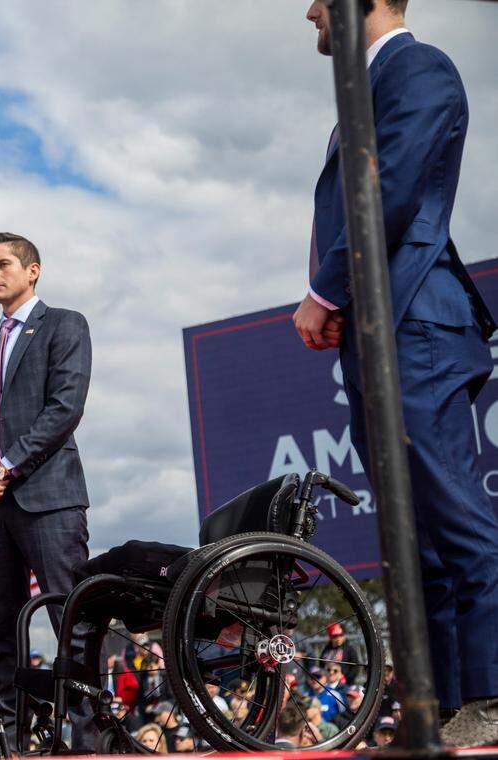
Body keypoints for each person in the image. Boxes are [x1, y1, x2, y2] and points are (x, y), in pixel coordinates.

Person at [298, 1, 498, 745]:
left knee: (456, 518)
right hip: (387, 333)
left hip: (417, 325)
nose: (310, 10)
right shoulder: (373, 85)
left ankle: (493, 692)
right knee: (420, 540)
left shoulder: (419, 68)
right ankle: (444, 707)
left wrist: (325, 292)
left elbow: (389, 191)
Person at [0, 232, 92, 746]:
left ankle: (87, 738)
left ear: (33, 270)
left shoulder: (64, 325)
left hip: (48, 499)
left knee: (70, 621)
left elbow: (65, 407)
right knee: (1, 633)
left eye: (4, 264)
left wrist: (5, 466)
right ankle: (11, 741)